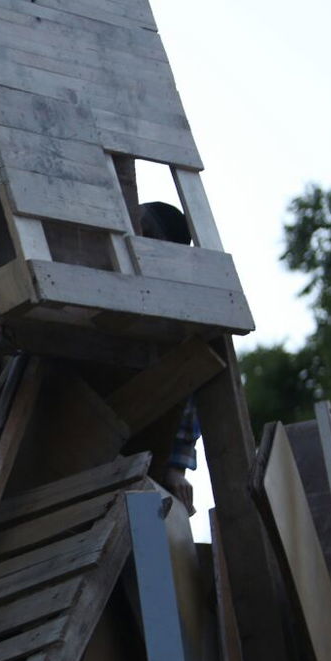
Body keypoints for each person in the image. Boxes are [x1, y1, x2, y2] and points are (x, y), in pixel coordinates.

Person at [139, 200, 203, 514]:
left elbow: (192, 384)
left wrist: (176, 466)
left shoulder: (175, 311)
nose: (135, 236)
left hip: (139, 446)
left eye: (147, 232)